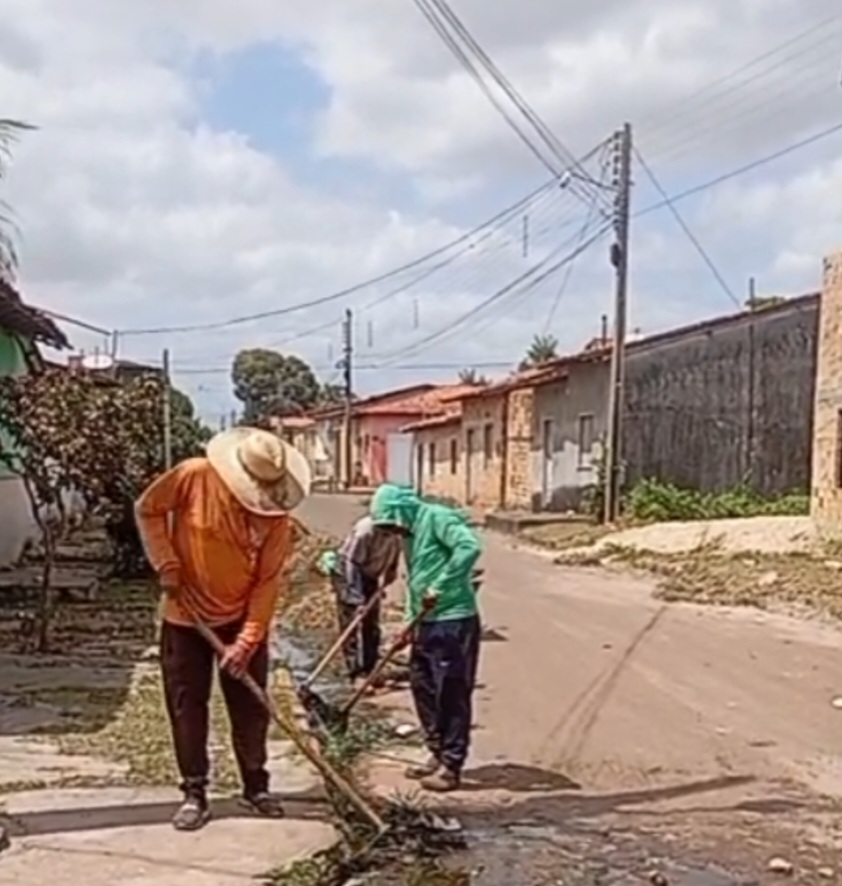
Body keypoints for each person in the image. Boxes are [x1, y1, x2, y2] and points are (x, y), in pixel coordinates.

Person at [135, 427, 311, 831]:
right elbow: (147, 509)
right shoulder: (193, 476)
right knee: (187, 706)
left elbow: (268, 582)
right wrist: (167, 564)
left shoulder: (278, 517)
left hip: (241, 617)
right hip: (185, 615)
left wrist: (247, 641)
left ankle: (256, 787)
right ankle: (194, 792)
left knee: (251, 709)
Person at [369, 484, 482, 793]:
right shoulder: (409, 534)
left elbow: (469, 548)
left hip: (453, 620)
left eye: (391, 522)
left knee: (451, 692)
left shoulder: (437, 518)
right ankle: (436, 751)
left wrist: (442, 586)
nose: (392, 530)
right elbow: (415, 577)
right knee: (423, 687)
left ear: (402, 511)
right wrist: (408, 622)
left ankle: (451, 765)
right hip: (425, 622)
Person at [320, 515, 402, 687]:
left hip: (369, 573)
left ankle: (370, 669)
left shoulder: (397, 529)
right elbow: (351, 564)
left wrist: (391, 569)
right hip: (347, 573)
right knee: (353, 621)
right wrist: (356, 598)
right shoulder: (365, 531)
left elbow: (396, 549)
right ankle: (355, 672)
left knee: (371, 623)